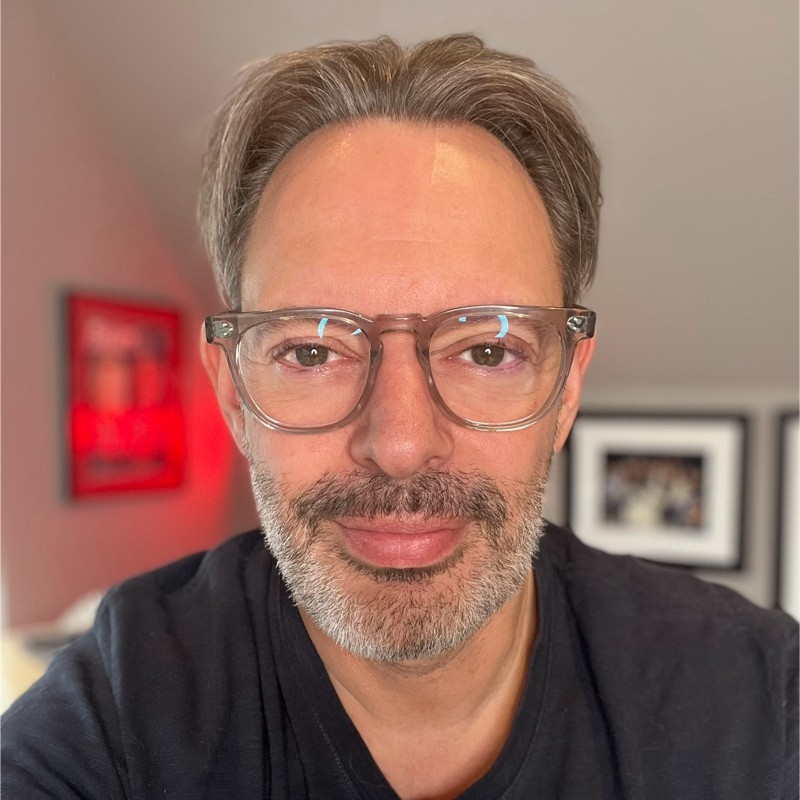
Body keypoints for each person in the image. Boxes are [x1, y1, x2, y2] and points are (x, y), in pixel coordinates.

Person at [2, 34, 797, 800]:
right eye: (313, 351)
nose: (403, 444)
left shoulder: (758, 701)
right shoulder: (114, 718)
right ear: (234, 395)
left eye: (487, 350)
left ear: (566, 389)